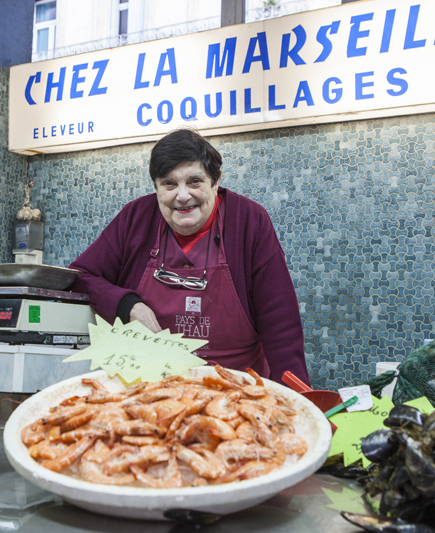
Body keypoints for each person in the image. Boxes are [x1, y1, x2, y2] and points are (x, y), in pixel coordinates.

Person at [69, 128, 310, 386]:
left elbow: (282, 328)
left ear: (216, 181)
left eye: (195, 181)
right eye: (169, 184)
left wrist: (300, 400)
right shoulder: (135, 218)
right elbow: (79, 278)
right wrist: (129, 307)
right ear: (157, 187)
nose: (182, 196)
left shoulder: (249, 220)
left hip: (236, 392)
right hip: (148, 388)